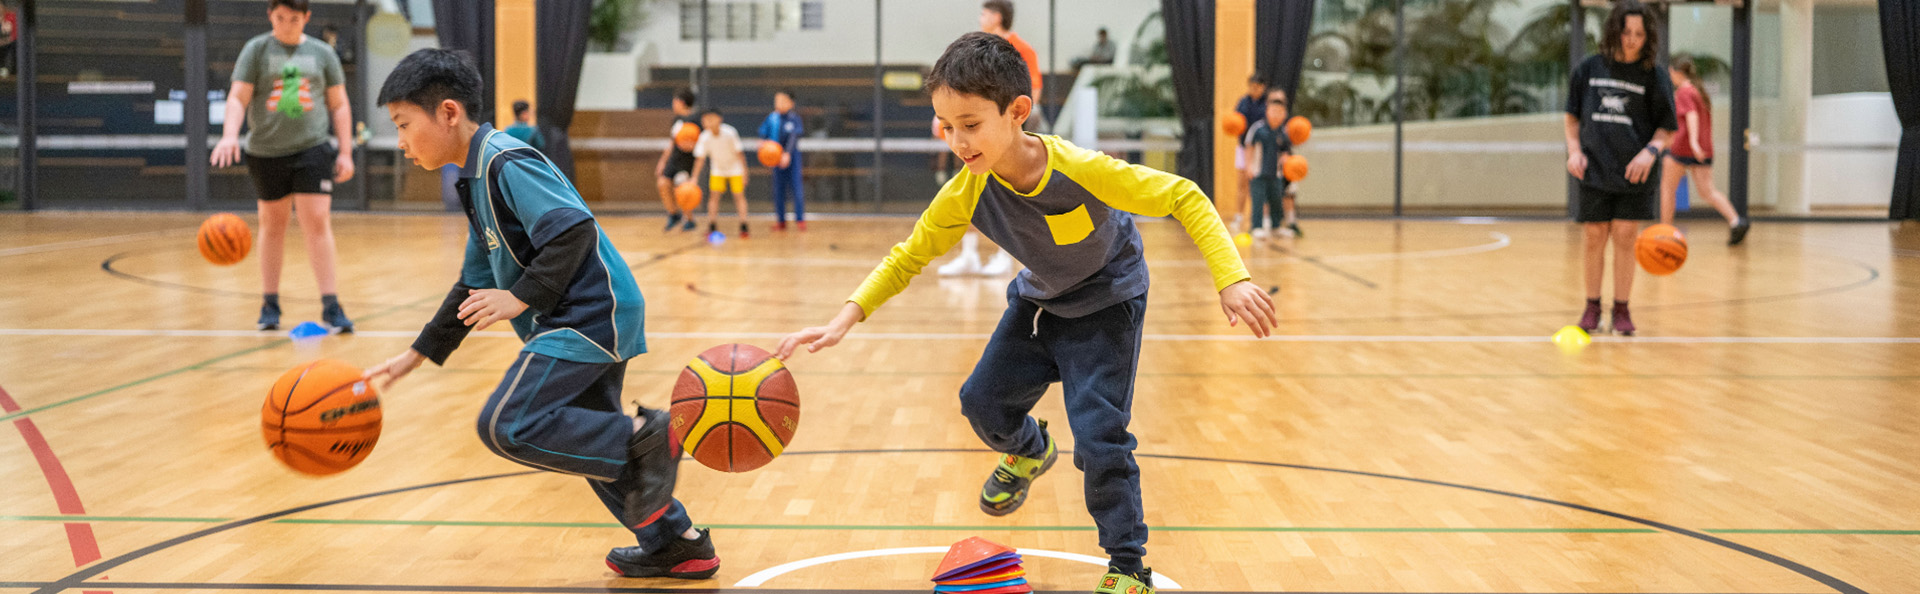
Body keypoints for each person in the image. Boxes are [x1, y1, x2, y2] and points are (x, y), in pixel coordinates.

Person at [775, 32, 1276, 594]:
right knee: (980, 402)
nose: (957, 140)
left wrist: (1231, 278)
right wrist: (846, 316)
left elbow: (1184, 195)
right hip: (1040, 303)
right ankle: (1030, 449)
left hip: (1109, 302)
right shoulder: (967, 191)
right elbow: (909, 254)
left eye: (970, 124)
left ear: (1017, 113)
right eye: (946, 126)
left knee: (1100, 437)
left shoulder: (1082, 169)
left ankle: (1129, 567)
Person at [366, 48, 718, 579]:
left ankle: (646, 438)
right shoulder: (474, 179)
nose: (400, 141)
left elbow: (573, 228)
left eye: (403, 124)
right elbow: (472, 282)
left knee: (507, 423)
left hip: (590, 312)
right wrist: (417, 354)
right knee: (588, 442)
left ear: (447, 113)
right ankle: (677, 543)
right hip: (583, 314)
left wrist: (521, 296)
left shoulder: (505, 159)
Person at [210, 0, 356, 333]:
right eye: (280, 18)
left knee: (317, 222)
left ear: (306, 17)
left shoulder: (322, 53)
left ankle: (331, 305)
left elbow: (339, 105)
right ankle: (270, 304)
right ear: (270, 16)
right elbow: (237, 97)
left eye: (294, 18)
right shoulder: (256, 50)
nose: (286, 25)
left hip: (312, 149)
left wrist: (345, 152)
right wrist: (229, 136)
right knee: (272, 225)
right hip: (265, 152)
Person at [1564, 0, 1675, 336]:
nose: (1632, 39)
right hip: (1594, 167)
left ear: (1648, 37)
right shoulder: (1588, 69)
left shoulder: (1654, 75)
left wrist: (1650, 152)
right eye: (1626, 32)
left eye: (1639, 34)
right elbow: (1572, 118)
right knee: (1594, 236)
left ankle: (1622, 309)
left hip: (1635, 171)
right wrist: (1573, 151)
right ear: (1614, 31)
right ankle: (1592, 306)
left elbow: (1667, 128)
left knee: (1626, 236)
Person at [1659, 54, 1749, 244]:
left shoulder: (1684, 92)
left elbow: (1691, 116)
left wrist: (1692, 142)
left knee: (1667, 189)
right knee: (1707, 192)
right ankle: (1736, 221)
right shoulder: (1698, 92)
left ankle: (1665, 232)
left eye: (1671, 73)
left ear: (1676, 72)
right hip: (1702, 150)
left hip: (1683, 149)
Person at [1243, 88, 1301, 238]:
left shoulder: (1283, 133)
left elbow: (1285, 152)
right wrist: (1248, 166)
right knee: (1258, 200)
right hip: (1258, 172)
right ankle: (1256, 226)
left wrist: (1287, 161)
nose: (1276, 115)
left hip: (1276, 174)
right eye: (1273, 111)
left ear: (1284, 115)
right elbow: (1248, 147)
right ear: (1267, 111)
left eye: (1280, 112)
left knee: (1276, 200)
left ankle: (1276, 226)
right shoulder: (1258, 129)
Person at [692, 108, 750, 238]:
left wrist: (745, 172)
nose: (707, 122)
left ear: (719, 119)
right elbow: (700, 159)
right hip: (718, 169)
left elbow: (740, 154)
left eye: (710, 118)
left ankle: (744, 226)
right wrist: (694, 177)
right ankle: (712, 225)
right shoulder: (704, 137)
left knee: (739, 196)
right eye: (705, 119)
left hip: (735, 168)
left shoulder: (729, 133)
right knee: (714, 197)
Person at [758, 89, 806, 231]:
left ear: (791, 103)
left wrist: (787, 154)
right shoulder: (772, 118)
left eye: (783, 100)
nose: (779, 103)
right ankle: (781, 220)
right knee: (778, 191)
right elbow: (763, 134)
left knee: (796, 189)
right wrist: (762, 144)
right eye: (777, 100)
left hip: (792, 159)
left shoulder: (794, 118)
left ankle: (800, 219)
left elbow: (793, 137)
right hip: (776, 160)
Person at [655, 88, 700, 232]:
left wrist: (690, 145)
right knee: (663, 183)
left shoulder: (695, 120)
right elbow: (672, 143)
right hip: (674, 159)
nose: (673, 104)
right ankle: (674, 214)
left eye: (674, 101)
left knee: (683, 189)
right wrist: (662, 161)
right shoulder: (676, 120)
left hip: (686, 161)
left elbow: (699, 142)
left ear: (681, 102)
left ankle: (690, 220)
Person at [1230, 75, 1268, 234]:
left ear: (1263, 87)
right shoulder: (1243, 102)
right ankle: (1239, 215)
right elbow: (1235, 122)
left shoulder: (1267, 104)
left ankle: (1263, 217)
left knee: (1260, 183)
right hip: (1243, 147)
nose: (1255, 89)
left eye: (1258, 86)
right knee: (1242, 183)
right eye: (1252, 85)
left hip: (1259, 149)